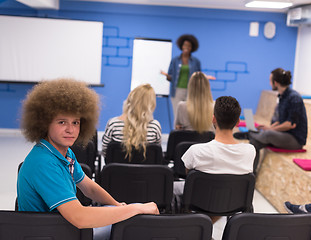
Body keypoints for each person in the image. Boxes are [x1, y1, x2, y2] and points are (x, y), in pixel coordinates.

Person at [17, 78, 159, 240]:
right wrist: (136, 209)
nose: (70, 129)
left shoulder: (64, 153)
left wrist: (117, 205)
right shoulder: (43, 162)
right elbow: (80, 218)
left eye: (75, 122)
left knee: (129, 222)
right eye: (62, 122)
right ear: (44, 124)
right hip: (50, 234)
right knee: (131, 230)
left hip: (61, 229)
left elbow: (89, 188)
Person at [174, 96, 256, 223]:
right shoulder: (250, 151)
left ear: (213, 119)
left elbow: (188, 176)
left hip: (200, 201)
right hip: (234, 203)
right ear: (238, 122)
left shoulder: (196, 151)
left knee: (173, 188)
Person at [235, 68, 308, 172]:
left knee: (268, 134)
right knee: (254, 143)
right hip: (283, 135)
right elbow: (281, 121)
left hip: (295, 140)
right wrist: (268, 127)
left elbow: (290, 124)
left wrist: (270, 130)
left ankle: (251, 133)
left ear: (275, 83)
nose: (269, 83)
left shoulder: (294, 97)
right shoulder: (282, 96)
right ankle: (250, 173)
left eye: (270, 81)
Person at [101, 84, 162, 159]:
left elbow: (105, 152)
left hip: (117, 170)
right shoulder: (155, 126)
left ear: (130, 100)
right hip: (147, 171)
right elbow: (157, 154)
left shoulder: (113, 124)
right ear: (151, 104)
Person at [161, 34, 201, 116]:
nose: (186, 47)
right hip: (177, 91)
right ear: (181, 46)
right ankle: (177, 129)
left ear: (192, 48)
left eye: (189, 46)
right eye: (185, 45)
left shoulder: (196, 61)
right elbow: (171, 76)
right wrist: (166, 75)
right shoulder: (175, 60)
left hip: (191, 91)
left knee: (189, 115)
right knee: (177, 114)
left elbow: (198, 76)